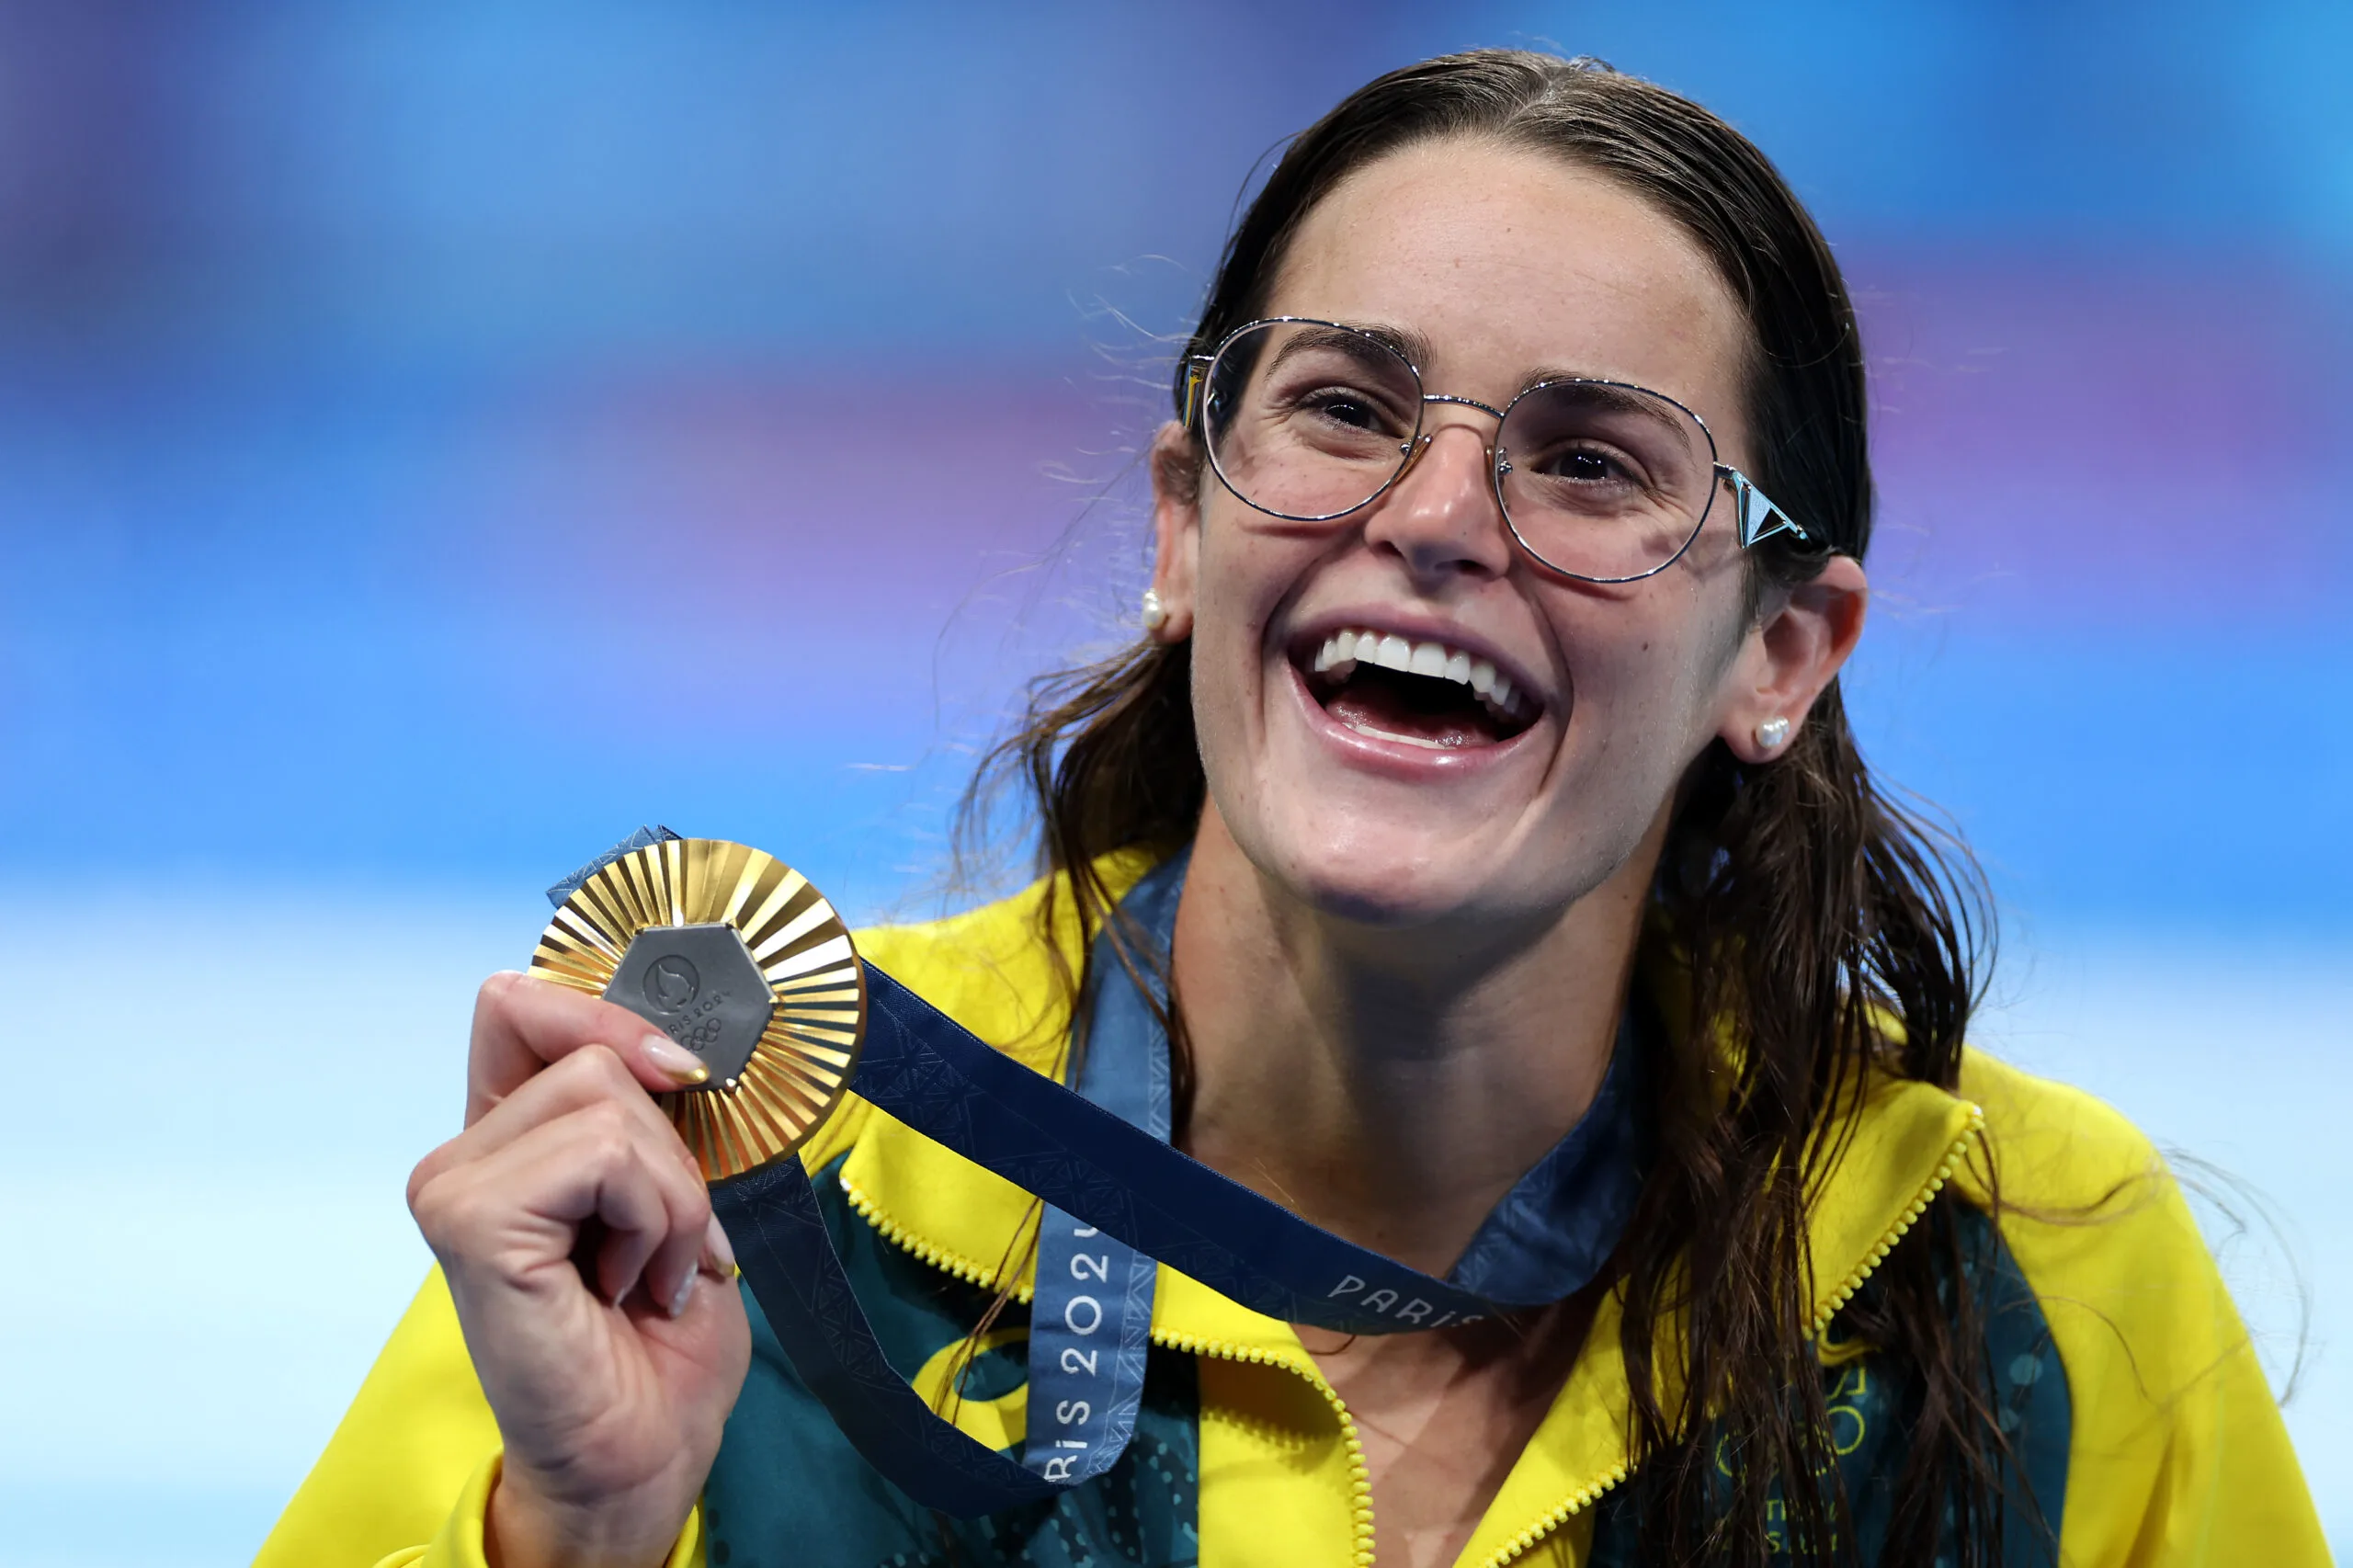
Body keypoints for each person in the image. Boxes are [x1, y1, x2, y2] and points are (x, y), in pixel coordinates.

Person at [257, 50, 2326, 1568]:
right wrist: (577, 1534)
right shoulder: (733, 1203)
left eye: (1592, 461)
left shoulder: (2027, 1286)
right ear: (1183, 522)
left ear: (1779, 652)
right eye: (1341, 407)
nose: (1431, 519)